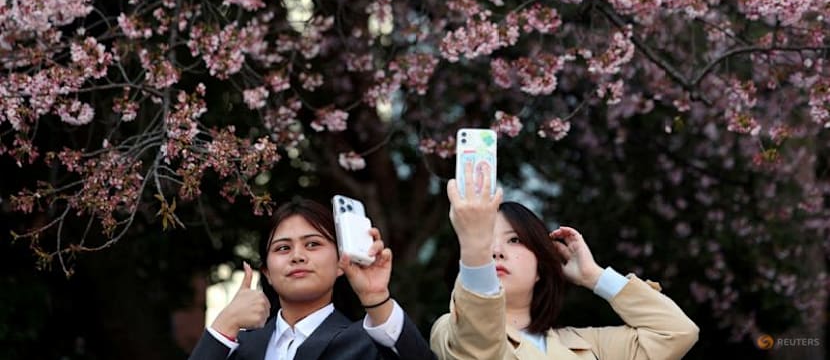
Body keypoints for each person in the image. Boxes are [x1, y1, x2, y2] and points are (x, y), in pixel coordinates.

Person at [430, 162, 699, 359]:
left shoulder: (587, 346)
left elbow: (676, 333)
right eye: (487, 240)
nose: (496, 251)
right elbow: (478, 341)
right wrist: (475, 245)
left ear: (540, 268)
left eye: (515, 240)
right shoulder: (451, 332)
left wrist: (593, 276)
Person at [190, 198, 436, 360]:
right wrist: (224, 325)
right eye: (283, 248)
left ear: (341, 263)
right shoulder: (239, 348)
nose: (297, 256)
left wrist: (376, 298)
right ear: (267, 273)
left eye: (313, 244)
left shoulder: (366, 344)